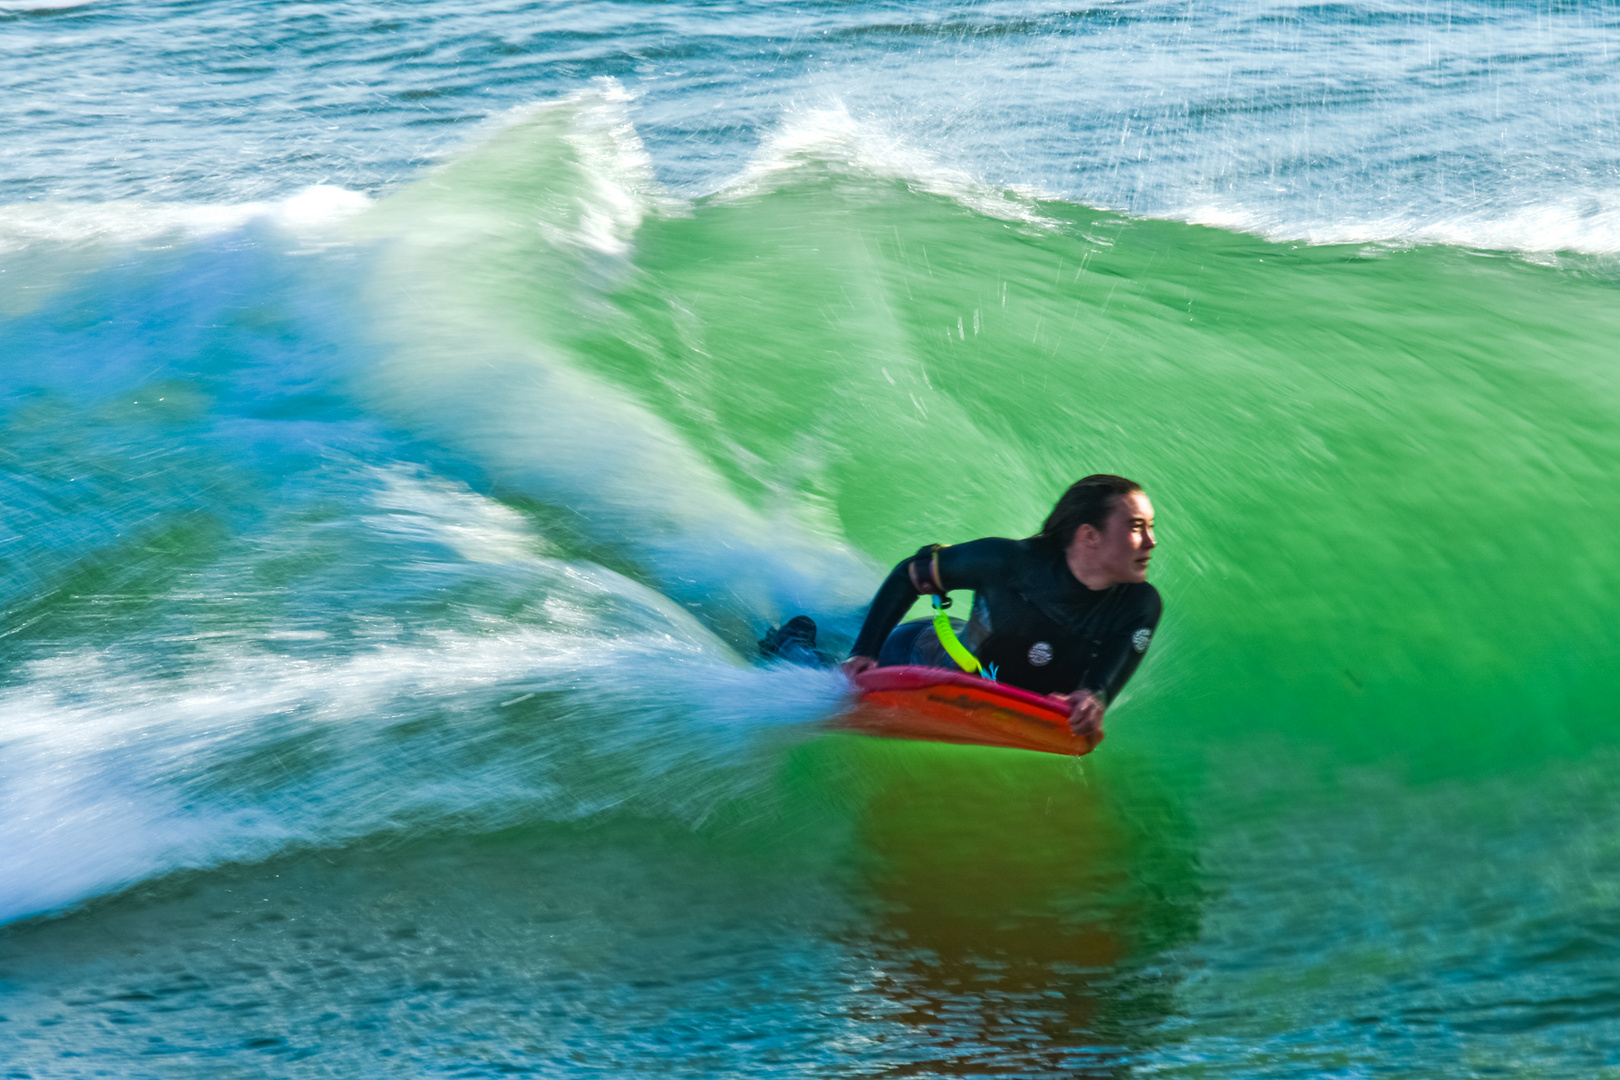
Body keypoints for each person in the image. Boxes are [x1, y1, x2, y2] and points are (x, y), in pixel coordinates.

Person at [841, 475, 1161, 744]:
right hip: (915, 653)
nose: (1152, 541)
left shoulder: (1139, 606)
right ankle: (803, 636)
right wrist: (864, 652)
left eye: (1151, 526)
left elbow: (1098, 690)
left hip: (996, 697)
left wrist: (1091, 702)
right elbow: (908, 575)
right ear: (1090, 536)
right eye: (1136, 527)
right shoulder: (1008, 561)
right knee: (825, 666)